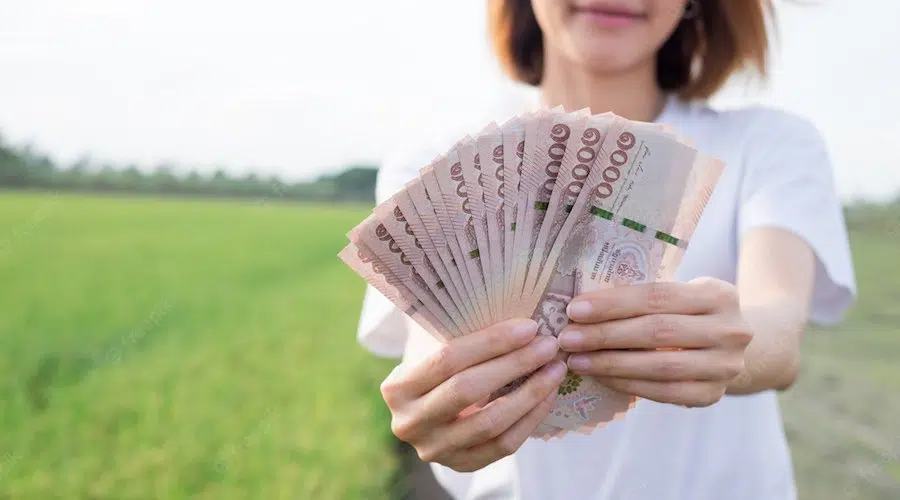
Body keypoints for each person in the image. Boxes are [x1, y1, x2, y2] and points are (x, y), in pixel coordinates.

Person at [356, 1, 857, 499]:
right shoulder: (433, 163)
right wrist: (436, 404)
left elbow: (777, 322)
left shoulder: (770, 143)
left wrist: (737, 344)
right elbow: (428, 355)